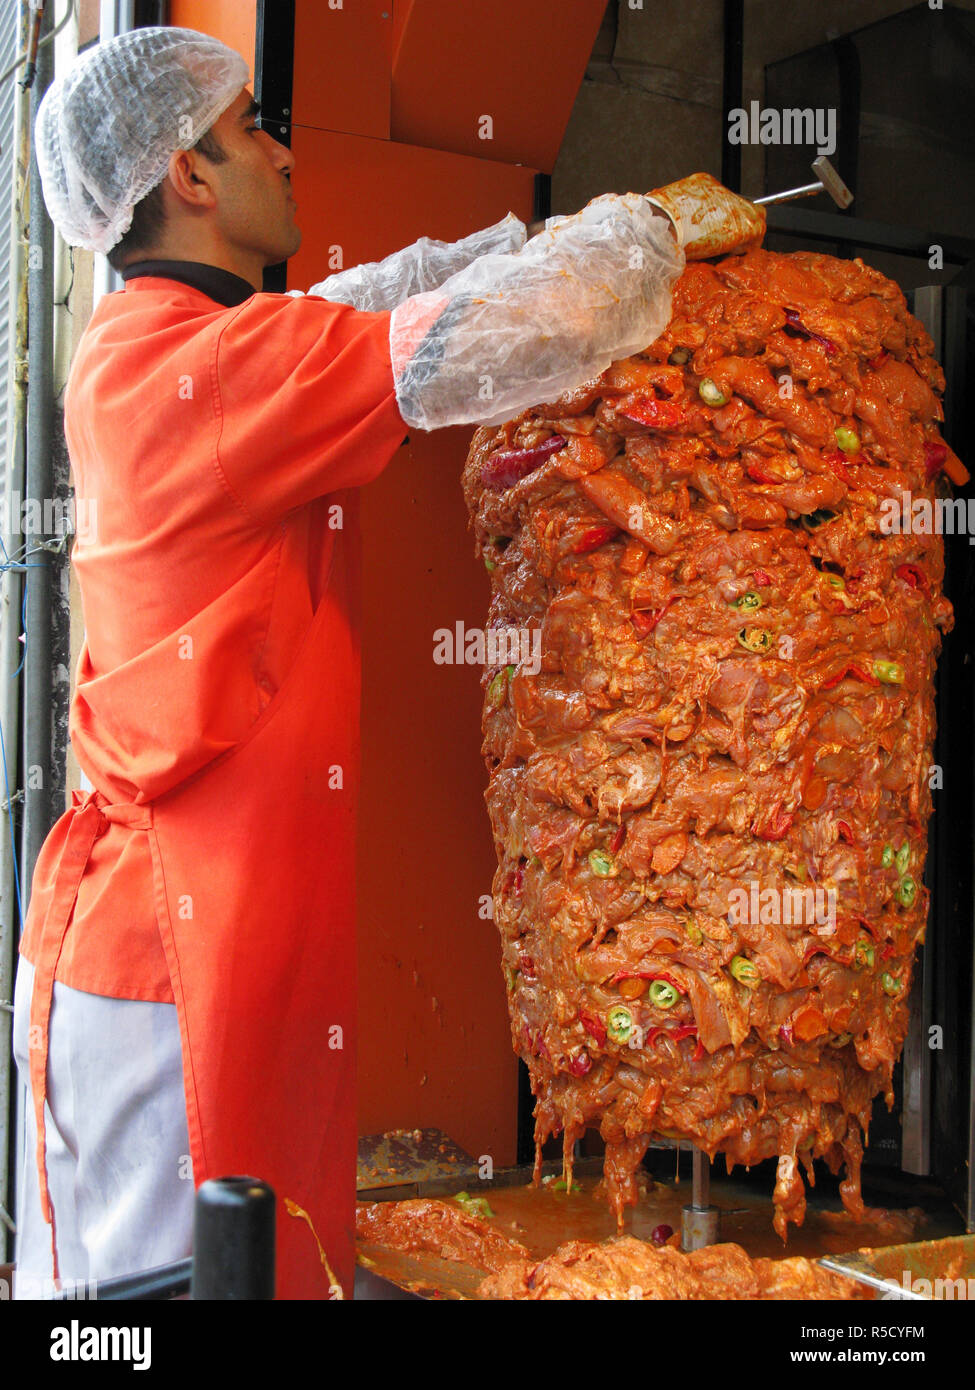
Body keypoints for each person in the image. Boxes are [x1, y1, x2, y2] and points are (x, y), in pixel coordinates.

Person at [12, 25, 759, 1298]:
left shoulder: (162, 346)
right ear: (188, 174)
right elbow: (491, 340)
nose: (283, 149)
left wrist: (506, 244)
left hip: (197, 939)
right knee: (155, 1307)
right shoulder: (208, 368)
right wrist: (637, 236)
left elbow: (356, 314)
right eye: (254, 126)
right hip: (169, 971)